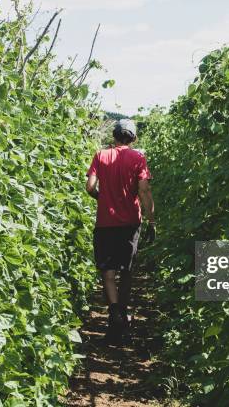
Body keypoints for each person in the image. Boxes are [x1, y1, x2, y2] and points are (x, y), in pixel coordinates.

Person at [85, 119, 156, 344]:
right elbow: (144, 190)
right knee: (127, 269)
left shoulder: (100, 156)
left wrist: (102, 199)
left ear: (114, 136)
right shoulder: (138, 159)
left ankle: (114, 311)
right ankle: (123, 314)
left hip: (105, 222)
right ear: (133, 138)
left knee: (108, 269)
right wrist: (151, 220)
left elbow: (90, 187)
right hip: (129, 223)